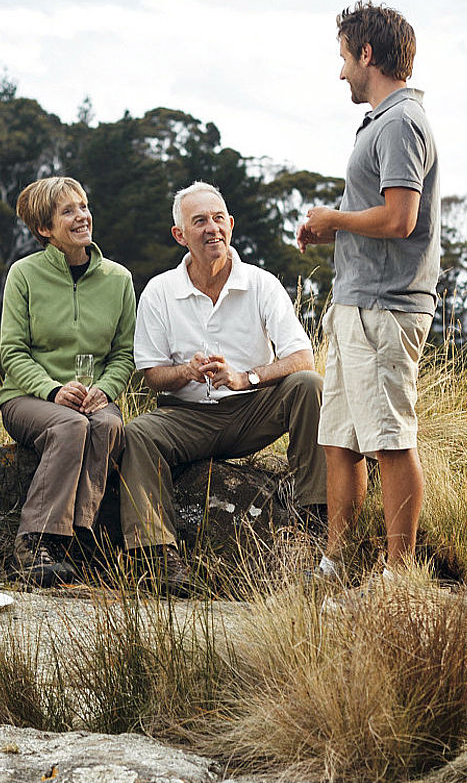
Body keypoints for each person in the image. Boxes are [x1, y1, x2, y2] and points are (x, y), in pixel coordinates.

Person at [118, 183, 324, 596]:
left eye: (218, 219)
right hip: (187, 417)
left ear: (230, 225)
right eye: (199, 222)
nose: (212, 229)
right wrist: (185, 372)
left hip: (252, 408)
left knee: (307, 385)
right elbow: (151, 374)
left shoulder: (262, 283)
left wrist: (245, 377)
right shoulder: (159, 291)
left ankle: (314, 519)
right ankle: (158, 555)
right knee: (137, 433)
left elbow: (302, 357)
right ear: (180, 235)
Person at [297, 0, 440, 579]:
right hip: (357, 304)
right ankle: (335, 562)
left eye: (342, 58)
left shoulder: (403, 121)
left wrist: (334, 219)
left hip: (387, 306)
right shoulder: (383, 121)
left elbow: (400, 218)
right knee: (341, 439)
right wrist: (334, 229)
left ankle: (396, 575)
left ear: (367, 54)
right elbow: (380, 217)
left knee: (389, 440)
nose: (340, 73)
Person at [0, 176, 136, 585]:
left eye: (84, 206)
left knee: (110, 425)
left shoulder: (119, 279)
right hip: (27, 399)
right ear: (45, 228)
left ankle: (78, 533)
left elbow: (124, 353)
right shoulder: (23, 274)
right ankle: (35, 539)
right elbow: (12, 351)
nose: (83, 216)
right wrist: (53, 390)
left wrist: (106, 390)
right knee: (71, 424)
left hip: (95, 395)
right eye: (68, 211)